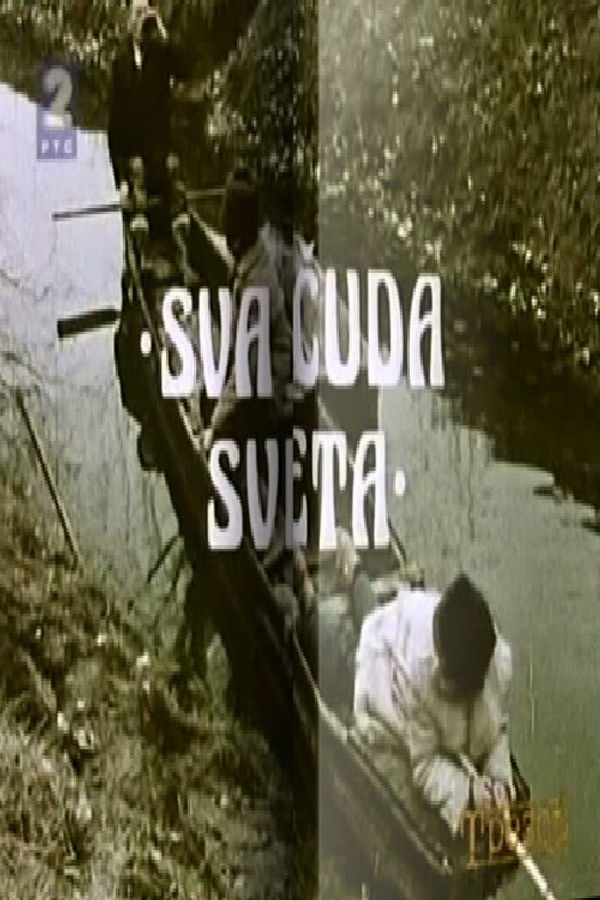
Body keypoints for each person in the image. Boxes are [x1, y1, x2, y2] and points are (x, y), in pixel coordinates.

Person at [353, 573, 515, 836]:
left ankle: (364, 583)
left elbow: (497, 733)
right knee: (353, 626)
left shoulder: (500, 665)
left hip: (412, 619)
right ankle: (355, 577)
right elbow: (424, 764)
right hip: (383, 653)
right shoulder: (416, 673)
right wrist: (468, 793)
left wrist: (499, 781)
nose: (442, 679)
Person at [107, 0, 194, 280]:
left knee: (173, 174)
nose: (143, 18)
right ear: (129, 21)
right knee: (138, 178)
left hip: (160, 148)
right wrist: (121, 181)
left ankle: (182, 250)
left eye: (146, 12)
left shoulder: (161, 52)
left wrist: (163, 33)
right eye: (138, 13)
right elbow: (114, 127)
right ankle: (144, 256)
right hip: (134, 153)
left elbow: (185, 69)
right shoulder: (120, 62)